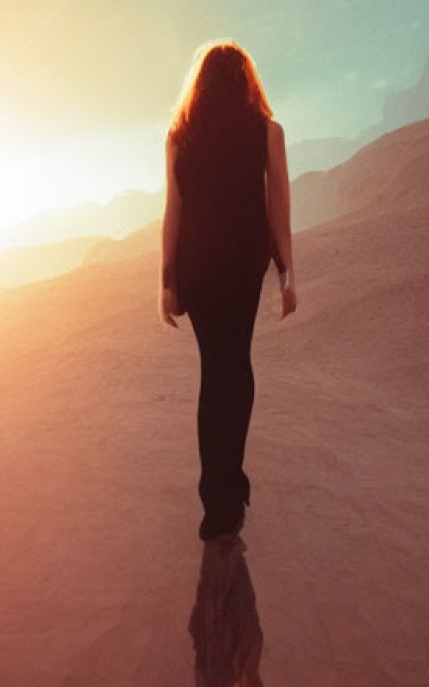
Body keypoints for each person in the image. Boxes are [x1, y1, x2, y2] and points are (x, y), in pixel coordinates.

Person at [159, 40, 297, 541]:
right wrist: (287, 273)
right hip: (241, 264)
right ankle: (229, 486)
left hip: (198, 265)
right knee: (235, 368)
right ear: (247, 81)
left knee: (212, 373)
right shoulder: (267, 131)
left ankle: (216, 497)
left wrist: (167, 281)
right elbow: (279, 206)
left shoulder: (179, 137)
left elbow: (171, 214)